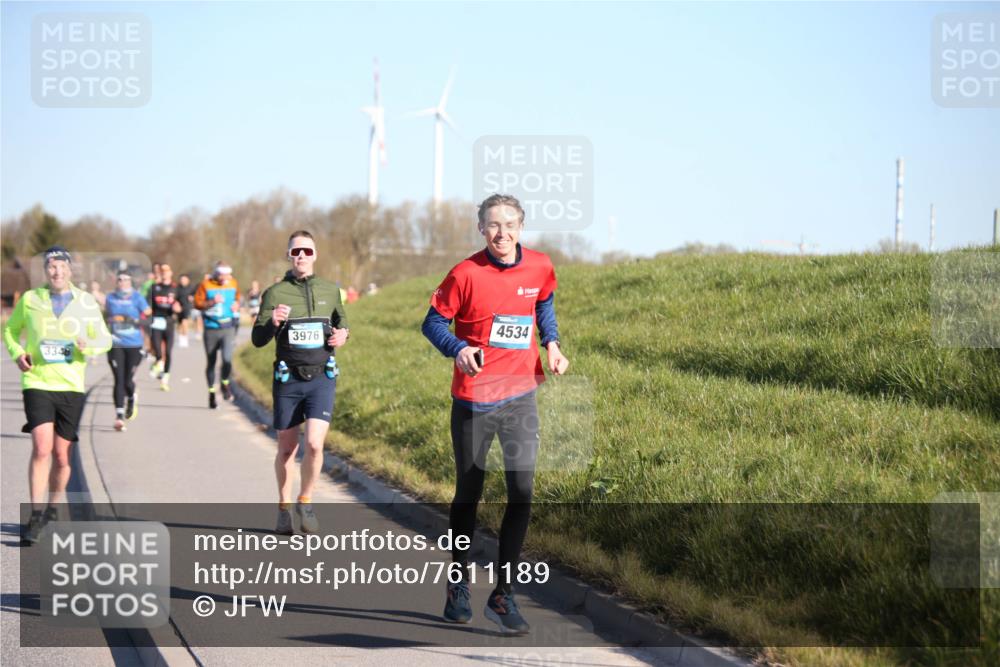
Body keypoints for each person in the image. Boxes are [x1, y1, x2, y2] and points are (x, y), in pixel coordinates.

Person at [421, 194, 569, 635]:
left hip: (520, 394)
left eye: (508, 224)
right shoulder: (465, 274)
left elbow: (543, 304)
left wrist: (553, 343)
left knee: (522, 491)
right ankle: (459, 583)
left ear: (521, 226)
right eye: (492, 225)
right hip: (474, 399)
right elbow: (432, 323)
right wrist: (459, 348)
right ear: (480, 229)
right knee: (469, 492)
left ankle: (504, 594)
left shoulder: (540, 265)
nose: (501, 233)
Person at [2, 246, 112, 543]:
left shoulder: (86, 302)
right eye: (52, 266)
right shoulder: (30, 299)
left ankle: (52, 506)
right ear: (45, 271)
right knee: (41, 448)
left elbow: (105, 338)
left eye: (62, 266)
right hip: (37, 382)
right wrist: (17, 353)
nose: (57, 271)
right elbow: (10, 331)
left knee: (62, 457)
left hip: (71, 385)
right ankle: (36, 515)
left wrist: (88, 345)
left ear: (70, 270)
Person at [252, 231, 348, 535]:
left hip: (321, 378)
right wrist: (274, 322)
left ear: (315, 255)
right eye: (296, 252)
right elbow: (257, 339)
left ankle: (305, 502)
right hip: (288, 380)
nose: (302, 256)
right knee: (287, 449)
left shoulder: (330, 291)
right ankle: (283, 507)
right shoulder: (275, 293)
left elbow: (342, 322)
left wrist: (343, 335)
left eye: (307, 251)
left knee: (315, 445)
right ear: (289, 256)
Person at [104, 272, 151, 430]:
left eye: (126, 279)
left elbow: (149, 319)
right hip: (116, 343)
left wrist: (134, 320)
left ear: (131, 282)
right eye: (120, 279)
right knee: (118, 378)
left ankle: (131, 397)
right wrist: (111, 320)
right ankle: (119, 416)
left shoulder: (138, 298)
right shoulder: (110, 298)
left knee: (128, 381)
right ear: (116, 282)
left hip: (134, 344)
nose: (123, 282)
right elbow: (105, 317)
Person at [194, 261, 240, 409]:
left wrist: (237, 304)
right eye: (222, 274)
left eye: (228, 274)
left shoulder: (233, 283)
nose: (225, 277)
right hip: (211, 328)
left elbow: (237, 298)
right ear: (216, 273)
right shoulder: (206, 284)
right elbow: (197, 303)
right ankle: (212, 393)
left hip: (228, 327)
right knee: (211, 362)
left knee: (227, 359)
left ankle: (225, 384)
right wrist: (212, 301)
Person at [148, 263, 182, 391]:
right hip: (156, 321)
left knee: (168, 352)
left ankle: (165, 378)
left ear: (171, 273)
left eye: (167, 271)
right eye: (162, 271)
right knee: (157, 349)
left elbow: (182, 306)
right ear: (160, 274)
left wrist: (179, 309)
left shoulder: (175, 288)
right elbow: (147, 304)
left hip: (169, 322)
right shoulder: (155, 287)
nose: (164, 273)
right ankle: (158, 363)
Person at [175, 273, 195, 347]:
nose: (183, 281)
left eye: (184, 279)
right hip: (179, 307)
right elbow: (174, 297)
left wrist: (192, 298)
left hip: (187, 306)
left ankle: (185, 337)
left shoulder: (191, 287)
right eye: (181, 279)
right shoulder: (177, 288)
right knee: (180, 323)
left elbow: (195, 295)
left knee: (185, 321)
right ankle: (181, 337)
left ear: (188, 280)